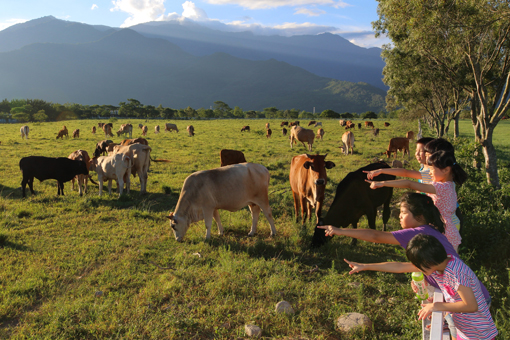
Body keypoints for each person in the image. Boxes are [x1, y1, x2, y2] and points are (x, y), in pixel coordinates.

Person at [319, 192, 491, 339]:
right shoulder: (434, 253)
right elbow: (400, 266)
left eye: (403, 212)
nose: (399, 216)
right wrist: (365, 266)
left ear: (420, 216)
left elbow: (376, 236)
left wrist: (340, 230)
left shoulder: (422, 236)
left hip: (472, 310)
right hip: (461, 305)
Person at [365, 150, 467, 251]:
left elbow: (409, 184)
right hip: (442, 227)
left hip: (446, 231)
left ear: (446, 170)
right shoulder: (444, 180)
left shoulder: (442, 187)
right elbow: (406, 172)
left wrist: (382, 183)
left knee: (444, 263)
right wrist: (381, 171)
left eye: (431, 169)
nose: (429, 172)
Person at [406, 234, 498, 340]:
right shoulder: (439, 268)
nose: (417, 268)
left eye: (417, 265)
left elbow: (471, 306)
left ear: (428, 262)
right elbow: (454, 295)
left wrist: (436, 305)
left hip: (478, 333)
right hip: (464, 329)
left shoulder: (455, 273)